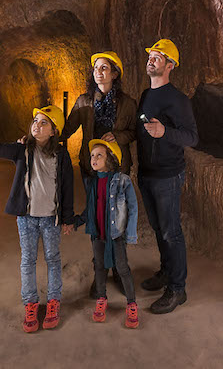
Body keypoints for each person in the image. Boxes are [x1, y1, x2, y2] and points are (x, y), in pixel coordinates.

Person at [0, 104, 75, 333]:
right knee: (28, 260)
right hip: (27, 218)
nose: (37, 125)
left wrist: (68, 218)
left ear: (54, 131)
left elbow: (67, 188)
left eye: (44, 122)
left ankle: (53, 302)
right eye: (35, 121)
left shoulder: (61, 155)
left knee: (53, 259)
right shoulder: (21, 149)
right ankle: (30, 303)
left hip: (51, 218)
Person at [61, 51, 137, 296]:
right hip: (92, 170)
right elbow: (66, 129)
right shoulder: (84, 101)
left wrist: (119, 136)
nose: (99, 71)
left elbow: (134, 132)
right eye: (96, 68)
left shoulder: (127, 103)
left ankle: (119, 270)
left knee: (118, 222)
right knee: (97, 223)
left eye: (105, 67)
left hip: (117, 172)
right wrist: (37, 135)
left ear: (115, 73)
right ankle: (101, 274)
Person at [136, 39, 198, 314]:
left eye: (158, 57)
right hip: (147, 174)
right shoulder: (145, 95)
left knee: (171, 232)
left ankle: (177, 289)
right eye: (151, 55)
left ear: (170, 66)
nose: (152, 59)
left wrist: (165, 133)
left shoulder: (178, 99)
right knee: (159, 228)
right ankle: (166, 271)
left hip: (168, 176)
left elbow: (192, 137)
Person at [74, 139, 139, 328]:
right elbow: (90, 210)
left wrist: (131, 232)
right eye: (92, 155)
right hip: (98, 234)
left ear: (110, 159)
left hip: (115, 234)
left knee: (122, 267)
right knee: (99, 267)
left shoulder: (122, 181)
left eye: (99, 155)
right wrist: (76, 222)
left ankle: (132, 303)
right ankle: (101, 299)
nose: (93, 159)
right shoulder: (93, 183)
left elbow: (133, 208)